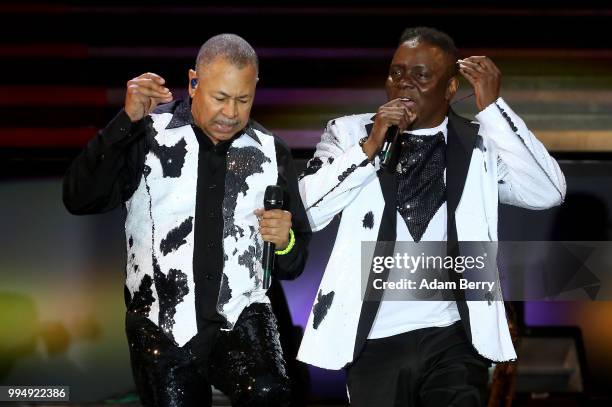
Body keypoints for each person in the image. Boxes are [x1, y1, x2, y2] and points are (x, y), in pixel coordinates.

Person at [296, 27, 566, 406]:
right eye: (396, 73)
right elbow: (306, 211)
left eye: (421, 75)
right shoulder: (351, 133)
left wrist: (494, 109)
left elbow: (548, 192)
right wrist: (369, 148)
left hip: (453, 333)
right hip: (371, 337)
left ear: (451, 88)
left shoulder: (477, 144)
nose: (404, 83)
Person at [63, 33, 311, 407]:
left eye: (243, 100)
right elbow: (79, 198)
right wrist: (125, 121)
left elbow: (293, 261)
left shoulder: (271, 151)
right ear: (194, 82)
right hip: (159, 322)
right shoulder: (147, 134)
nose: (231, 113)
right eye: (220, 98)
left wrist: (285, 240)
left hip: (242, 316)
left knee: (268, 392)